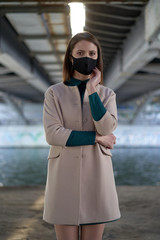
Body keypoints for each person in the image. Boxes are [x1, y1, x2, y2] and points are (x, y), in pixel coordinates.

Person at [43, 31, 121, 240]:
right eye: (80, 52)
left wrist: (92, 89)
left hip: (97, 172)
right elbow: (53, 135)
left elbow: (106, 129)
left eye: (92, 53)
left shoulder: (107, 94)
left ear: (97, 58)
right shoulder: (54, 93)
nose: (86, 57)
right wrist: (95, 138)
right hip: (63, 174)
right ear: (71, 56)